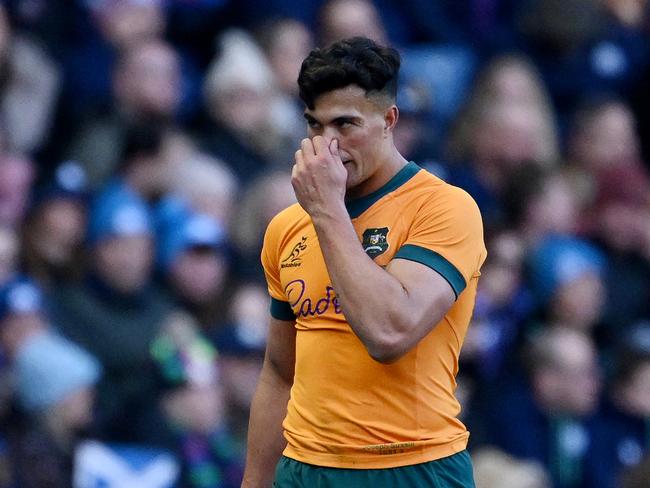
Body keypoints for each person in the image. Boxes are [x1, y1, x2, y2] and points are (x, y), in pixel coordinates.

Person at [243, 37, 487, 487]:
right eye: (315, 126)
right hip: (306, 470)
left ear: (389, 120)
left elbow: (389, 332)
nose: (327, 145)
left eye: (345, 125)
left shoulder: (444, 209)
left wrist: (328, 213)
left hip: (412, 467)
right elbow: (279, 372)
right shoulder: (287, 228)